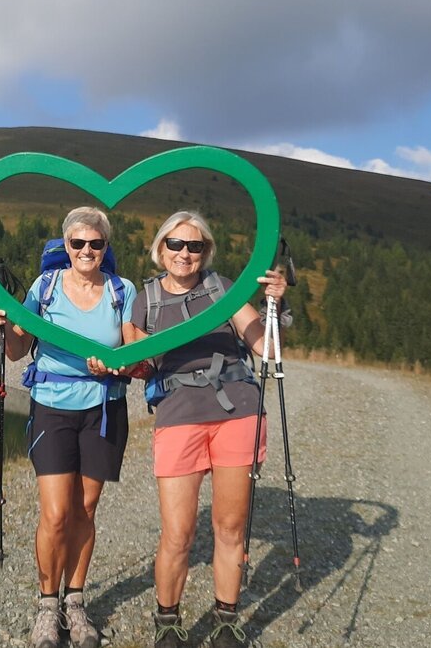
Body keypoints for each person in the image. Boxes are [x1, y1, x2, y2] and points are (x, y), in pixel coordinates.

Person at [107, 210, 286, 648]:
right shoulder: (145, 300)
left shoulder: (222, 288)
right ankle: (167, 621)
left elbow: (266, 348)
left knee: (229, 527)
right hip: (178, 416)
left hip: (238, 413)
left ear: (206, 250)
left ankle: (227, 618)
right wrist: (111, 363)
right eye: (176, 244)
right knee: (178, 532)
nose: (185, 253)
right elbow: (139, 364)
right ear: (160, 247)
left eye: (195, 246)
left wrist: (275, 305)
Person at [0, 206, 138, 648]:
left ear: (106, 247)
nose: (87, 251)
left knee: (84, 510)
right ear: (65, 246)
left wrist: (114, 365)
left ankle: (76, 601)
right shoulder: (45, 286)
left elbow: (134, 350)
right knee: (55, 514)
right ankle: (47, 607)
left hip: (105, 407)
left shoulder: (121, 290)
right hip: (52, 406)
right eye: (78, 243)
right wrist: (1, 324)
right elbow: (17, 350)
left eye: (96, 244)